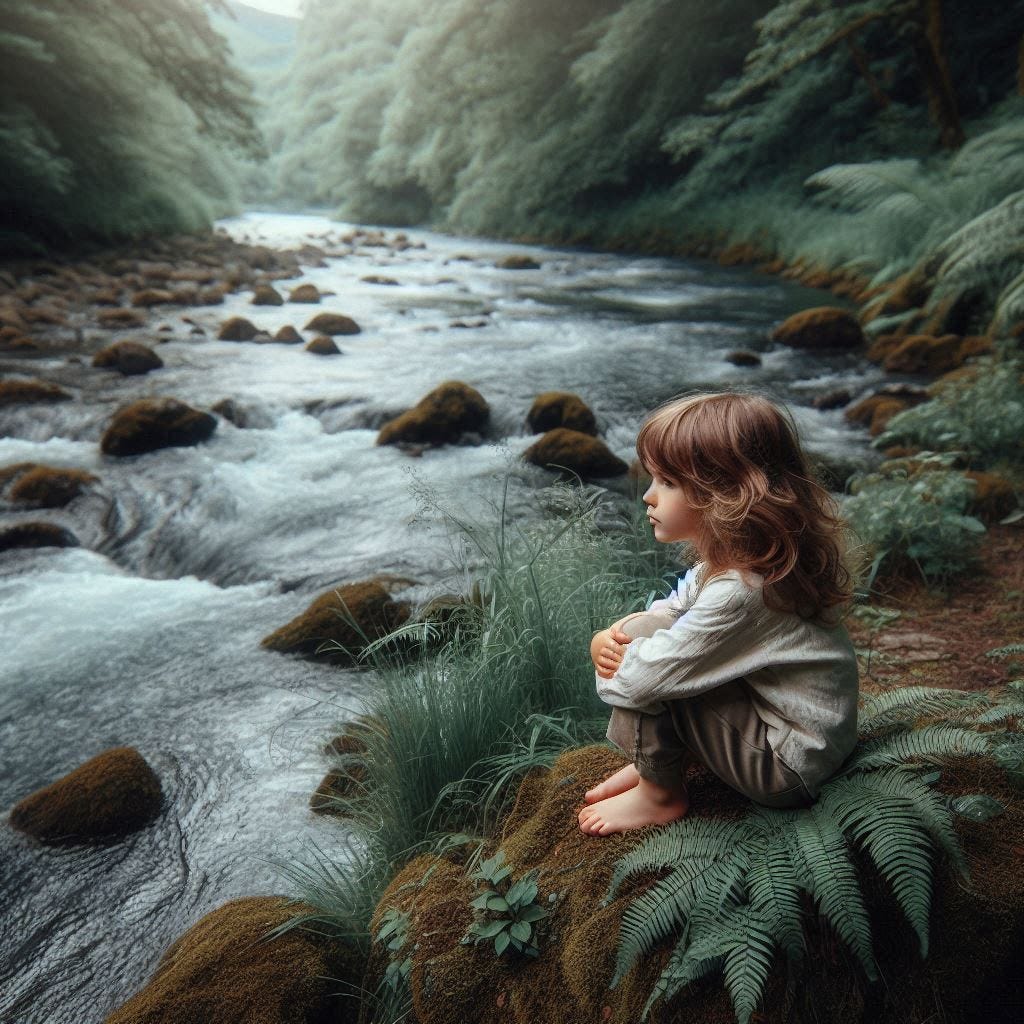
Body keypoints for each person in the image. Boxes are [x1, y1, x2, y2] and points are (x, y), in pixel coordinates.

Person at [578, 392, 859, 837]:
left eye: (667, 483)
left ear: (726, 495)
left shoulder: (745, 591)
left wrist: (611, 654)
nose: (648, 496)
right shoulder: (750, 558)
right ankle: (656, 762)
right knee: (650, 634)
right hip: (807, 736)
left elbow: (641, 681)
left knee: (652, 664)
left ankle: (660, 792)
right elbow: (673, 610)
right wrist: (609, 634)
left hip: (786, 765)